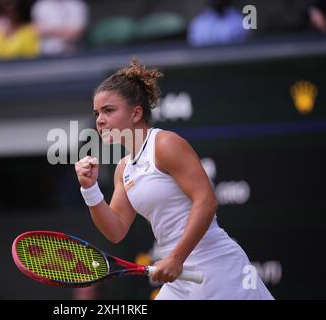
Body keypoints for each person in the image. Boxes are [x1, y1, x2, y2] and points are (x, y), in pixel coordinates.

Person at [74, 58, 274, 300]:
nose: (100, 120)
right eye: (97, 113)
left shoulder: (166, 144)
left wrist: (177, 258)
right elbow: (115, 230)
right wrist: (90, 189)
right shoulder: (124, 168)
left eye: (108, 110)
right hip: (178, 276)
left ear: (136, 113)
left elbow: (207, 201)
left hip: (218, 269)